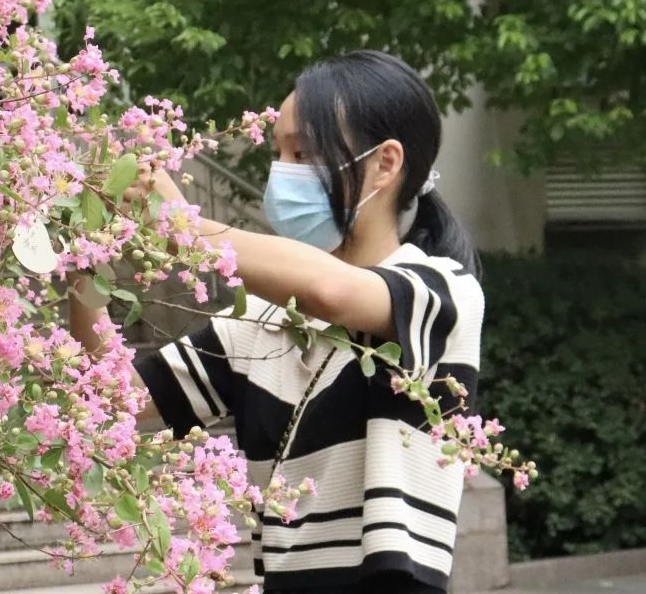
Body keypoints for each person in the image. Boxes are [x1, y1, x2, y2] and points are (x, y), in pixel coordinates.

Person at [68, 50, 485, 594]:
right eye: (279, 153)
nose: (282, 171)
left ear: (385, 163)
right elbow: (115, 396)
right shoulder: (259, 322)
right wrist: (86, 257)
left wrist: (186, 229)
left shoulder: (441, 290)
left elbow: (332, 292)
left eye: (303, 152)